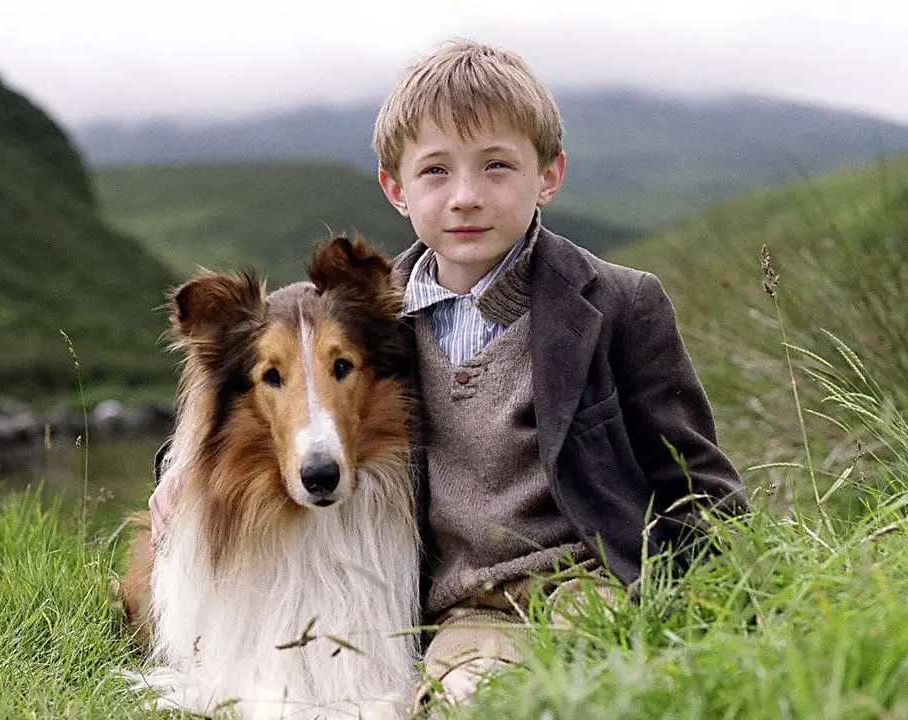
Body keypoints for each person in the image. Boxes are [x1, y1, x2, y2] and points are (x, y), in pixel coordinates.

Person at [150, 38, 745, 709]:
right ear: (395, 189)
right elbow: (262, 389)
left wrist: (727, 597)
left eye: (497, 166)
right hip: (467, 607)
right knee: (459, 702)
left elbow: (693, 474)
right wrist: (176, 477)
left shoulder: (621, 303)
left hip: (592, 579)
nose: (466, 197)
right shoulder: (375, 318)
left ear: (549, 175)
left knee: (590, 686)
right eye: (436, 171)